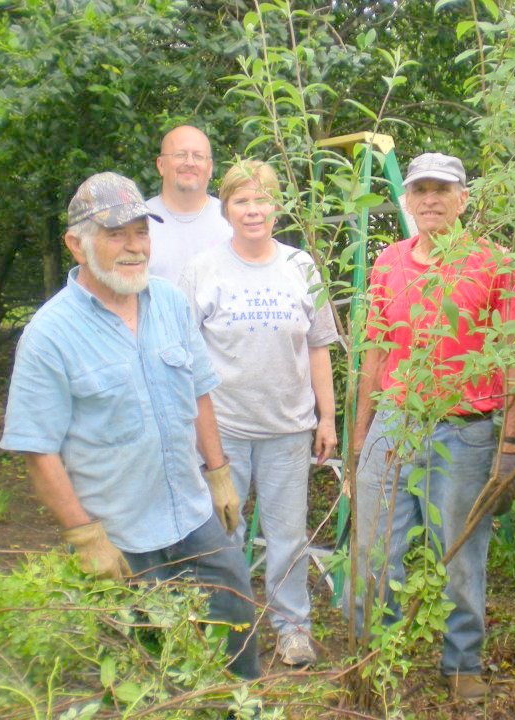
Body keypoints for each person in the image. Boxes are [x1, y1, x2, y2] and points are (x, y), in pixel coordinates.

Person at [0, 172, 260, 680]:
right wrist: (83, 535)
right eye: (116, 234)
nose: (134, 247)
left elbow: (199, 391)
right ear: (77, 244)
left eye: (141, 232)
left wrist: (219, 473)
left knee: (234, 615)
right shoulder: (49, 335)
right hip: (122, 535)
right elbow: (38, 450)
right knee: (148, 665)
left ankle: (239, 708)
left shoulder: (168, 302)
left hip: (190, 512)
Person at [351, 152, 515, 701]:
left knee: (460, 554)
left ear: (463, 199)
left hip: (467, 430)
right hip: (394, 423)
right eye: (420, 189)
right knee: (375, 550)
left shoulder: (495, 264)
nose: (430, 198)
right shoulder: (388, 262)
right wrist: (361, 433)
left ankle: (460, 664)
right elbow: (376, 351)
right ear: (407, 199)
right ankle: (371, 659)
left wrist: (512, 442)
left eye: (442, 189)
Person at [179, 160, 339, 667]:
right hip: (222, 433)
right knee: (222, 534)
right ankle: (227, 627)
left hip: (288, 432)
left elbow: (318, 348)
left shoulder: (301, 267)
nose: (253, 210)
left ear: (278, 207)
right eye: (242, 200)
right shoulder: (203, 268)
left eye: (263, 199)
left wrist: (327, 419)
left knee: (288, 535)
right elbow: (183, 354)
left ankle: (292, 628)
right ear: (225, 208)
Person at [147, 125, 232, 283]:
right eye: (180, 155)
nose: (190, 162)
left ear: (210, 167)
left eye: (198, 156)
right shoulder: (139, 220)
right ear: (160, 165)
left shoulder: (231, 219)